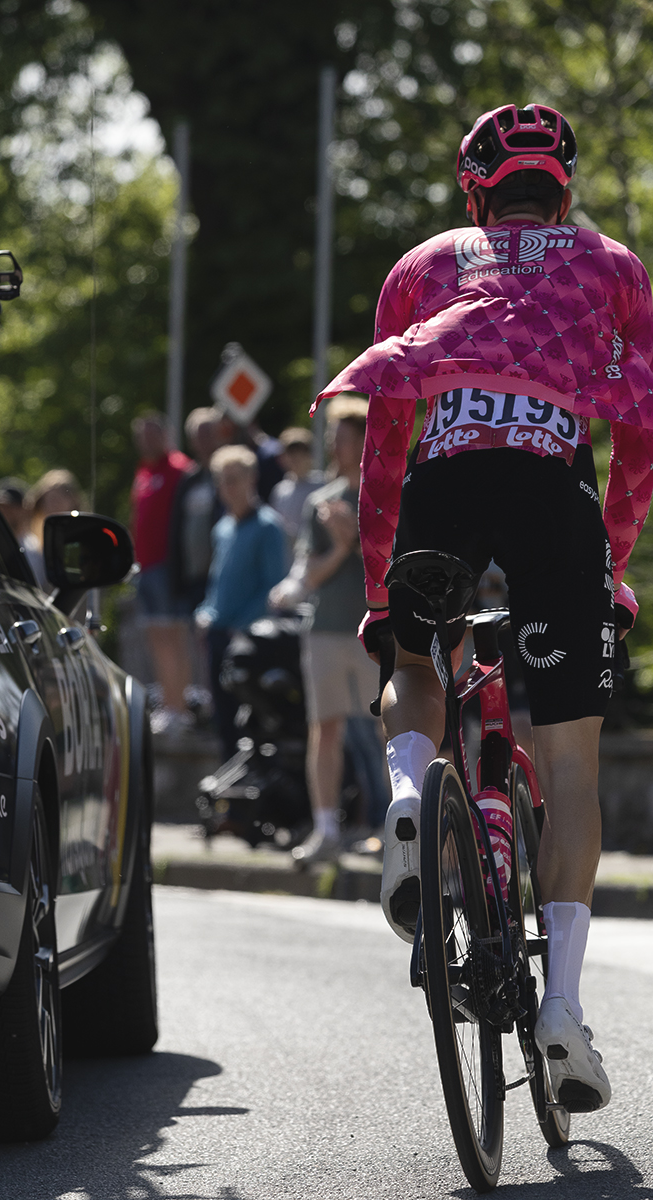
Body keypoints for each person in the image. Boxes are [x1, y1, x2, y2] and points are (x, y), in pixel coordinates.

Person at [315, 104, 653, 1114]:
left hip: (445, 486)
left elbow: (382, 446)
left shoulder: (422, 265)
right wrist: (614, 568)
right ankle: (558, 1009)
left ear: (473, 191)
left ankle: (410, 800)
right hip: (554, 502)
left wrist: (382, 592)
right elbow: (635, 439)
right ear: (563, 186)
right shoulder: (614, 267)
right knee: (568, 766)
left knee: (415, 671)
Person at [289, 398, 389, 865]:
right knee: (323, 728)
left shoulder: (387, 497)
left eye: (343, 436)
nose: (334, 444)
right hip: (326, 628)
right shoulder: (319, 501)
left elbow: (392, 566)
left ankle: (396, 827)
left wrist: (360, 537)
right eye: (332, 436)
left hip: (374, 629)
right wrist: (343, 546)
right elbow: (309, 575)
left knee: (391, 727)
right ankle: (326, 828)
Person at [195, 445, 288, 760]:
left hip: (247, 641)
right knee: (221, 719)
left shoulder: (268, 526)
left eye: (234, 479)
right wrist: (204, 613)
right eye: (221, 480)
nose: (227, 488)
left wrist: (243, 627)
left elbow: (273, 586)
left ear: (252, 480)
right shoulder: (222, 528)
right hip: (218, 635)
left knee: (248, 721)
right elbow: (216, 583)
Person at [130, 411, 195, 734]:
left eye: (154, 433)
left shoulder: (180, 469)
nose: (148, 440)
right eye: (143, 435)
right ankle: (167, 703)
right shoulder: (143, 471)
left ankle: (178, 707)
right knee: (157, 637)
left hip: (169, 567)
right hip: (145, 566)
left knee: (174, 636)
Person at [168, 407, 223, 614]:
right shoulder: (189, 480)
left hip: (223, 574)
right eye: (199, 436)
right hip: (193, 578)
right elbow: (176, 529)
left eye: (209, 434)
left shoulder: (230, 476)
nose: (204, 441)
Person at [24, 469, 85, 589]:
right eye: (49, 500)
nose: (53, 505)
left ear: (73, 501)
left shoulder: (83, 540)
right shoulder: (31, 544)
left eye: (59, 499)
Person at [269, 427, 325, 547]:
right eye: (291, 452)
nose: (296, 458)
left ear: (310, 455)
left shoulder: (322, 486)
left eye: (301, 452)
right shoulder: (279, 490)